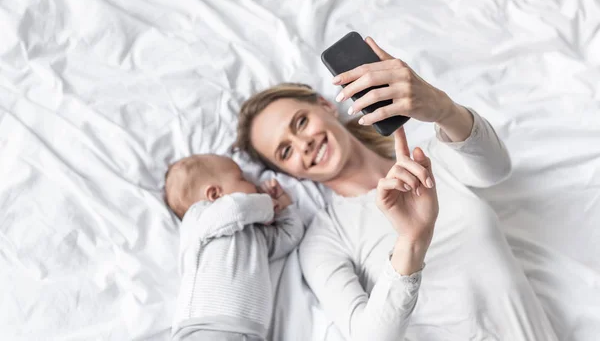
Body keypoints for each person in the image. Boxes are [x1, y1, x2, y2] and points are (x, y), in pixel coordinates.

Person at [234, 37, 558, 340]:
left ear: (326, 105)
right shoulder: (324, 239)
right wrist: (411, 243)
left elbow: (497, 169)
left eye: (300, 122)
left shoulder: (429, 160)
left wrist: (443, 109)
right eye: (285, 151)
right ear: (288, 172)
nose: (303, 144)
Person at [164, 154, 304, 341]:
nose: (254, 185)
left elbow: (289, 236)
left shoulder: (257, 234)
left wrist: (285, 206)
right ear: (214, 194)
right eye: (243, 179)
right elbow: (236, 209)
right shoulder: (199, 217)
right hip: (205, 329)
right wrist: (266, 202)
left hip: (252, 333)